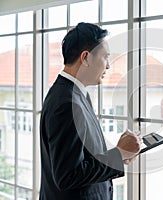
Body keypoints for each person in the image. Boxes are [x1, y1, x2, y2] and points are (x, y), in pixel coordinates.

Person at [39, 22, 141, 200]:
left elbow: (82, 157)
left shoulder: (76, 94)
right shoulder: (66, 102)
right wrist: (118, 154)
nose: (108, 66)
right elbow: (68, 175)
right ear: (85, 57)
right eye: (105, 57)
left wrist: (120, 154)